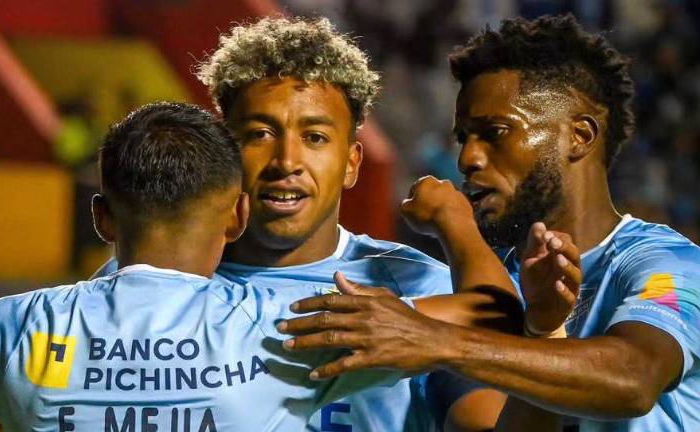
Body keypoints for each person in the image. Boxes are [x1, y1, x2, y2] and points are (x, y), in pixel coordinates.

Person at [96, 17, 531, 432]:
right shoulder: (146, 280)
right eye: (259, 134)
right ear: (224, 152)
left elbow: (486, 421)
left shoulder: (419, 284)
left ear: (351, 162)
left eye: (315, 138)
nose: (287, 162)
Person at [277, 14, 700, 432]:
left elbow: (633, 379)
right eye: (464, 138)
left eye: (495, 132)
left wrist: (434, 341)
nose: (467, 159)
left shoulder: (664, 267)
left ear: (580, 136)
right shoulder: (479, 276)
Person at [0, 102, 406, 431]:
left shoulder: (5, 330)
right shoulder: (289, 326)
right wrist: (459, 232)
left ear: (102, 217)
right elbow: (466, 327)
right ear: (238, 216)